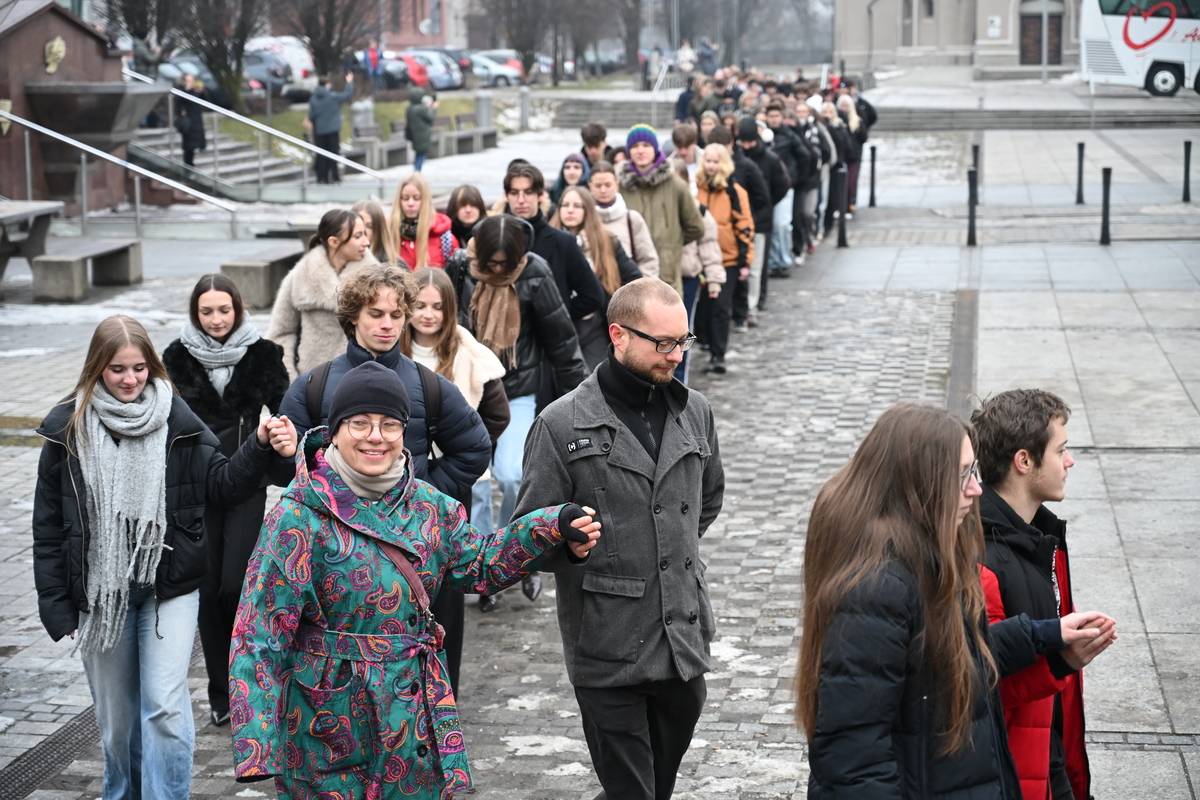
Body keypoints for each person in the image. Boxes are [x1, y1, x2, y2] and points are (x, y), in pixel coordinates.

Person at [229, 360, 601, 799]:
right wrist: (257, 747)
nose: (375, 436)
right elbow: (259, 632)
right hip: (326, 721)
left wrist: (552, 523)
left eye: (390, 424)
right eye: (360, 423)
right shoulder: (297, 519)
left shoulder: (429, 507)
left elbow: (480, 565)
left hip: (413, 716)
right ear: (334, 429)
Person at [33, 315, 296, 800]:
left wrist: (259, 446)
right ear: (96, 370)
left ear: (153, 368)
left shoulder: (177, 420)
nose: (130, 379)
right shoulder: (68, 430)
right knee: (116, 723)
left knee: (166, 709)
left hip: (168, 590)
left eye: (138, 368)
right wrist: (55, 602)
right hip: (100, 596)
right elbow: (49, 527)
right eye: (116, 370)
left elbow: (222, 485)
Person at [796, 403, 1114, 799]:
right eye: (964, 474)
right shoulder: (876, 588)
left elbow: (943, 662)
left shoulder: (926, 556)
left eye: (974, 471)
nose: (977, 489)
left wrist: (1045, 637)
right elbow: (854, 756)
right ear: (921, 482)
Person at [514, 278, 725, 800]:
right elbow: (525, 536)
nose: (676, 355)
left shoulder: (694, 410)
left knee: (657, 788)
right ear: (618, 335)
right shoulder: (561, 424)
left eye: (684, 341)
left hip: (681, 641)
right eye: (663, 343)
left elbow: (708, 499)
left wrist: (664, 547)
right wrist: (568, 543)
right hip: (608, 647)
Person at [162, 274, 290, 728]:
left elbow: (284, 415)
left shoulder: (264, 356)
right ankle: (222, 694)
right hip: (194, 488)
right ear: (195, 314)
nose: (216, 319)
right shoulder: (174, 359)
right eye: (206, 311)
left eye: (224, 310)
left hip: (245, 483)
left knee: (237, 585)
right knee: (207, 589)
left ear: (238, 310)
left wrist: (278, 459)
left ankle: (250, 683)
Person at [973, 390, 1110, 800]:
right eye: (1061, 450)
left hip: (1048, 759)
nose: (1069, 462)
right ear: (1024, 461)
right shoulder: (983, 560)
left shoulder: (1042, 537)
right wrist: (1060, 661)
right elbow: (980, 685)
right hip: (1013, 772)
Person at [274, 263, 491, 511]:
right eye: (376, 314)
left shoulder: (430, 385)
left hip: (407, 534)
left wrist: (422, 494)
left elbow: (474, 450)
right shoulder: (313, 385)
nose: (388, 324)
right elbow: (281, 473)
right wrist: (287, 456)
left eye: (396, 315)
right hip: (332, 532)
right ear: (354, 315)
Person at [458, 216, 588, 597]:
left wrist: (581, 398)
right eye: (490, 263)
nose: (497, 270)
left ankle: (509, 549)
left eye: (504, 263)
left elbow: (561, 339)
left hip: (517, 387)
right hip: (469, 389)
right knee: (477, 485)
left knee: (513, 475)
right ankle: (476, 565)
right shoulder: (462, 270)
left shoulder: (535, 272)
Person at [401, 266, 510, 689]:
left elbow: (495, 416)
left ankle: (445, 683)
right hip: (393, 486)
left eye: (437, 307)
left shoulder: (469, 354)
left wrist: (447, 464)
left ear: (451, 311)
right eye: (420, 306)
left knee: (444, 583)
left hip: (446, 487)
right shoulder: (394, 351)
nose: (428, 315)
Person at [267, 209, 377, 380]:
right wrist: (290, 378)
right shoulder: (300, 276)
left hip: (364, 380)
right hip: (312, 381)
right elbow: (280, 333)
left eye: (365, 234)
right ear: (334, 241)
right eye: (358, 236)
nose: (366, 241)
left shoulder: (377, 279)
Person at [550, 185, 642, 369]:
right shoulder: (548, 240)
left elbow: (634, 279)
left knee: (598, 378)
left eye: (577, 206)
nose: (569, 210)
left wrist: (615, 306)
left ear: (588, 210)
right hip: (560, 323)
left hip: (597, 323)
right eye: (565, 205)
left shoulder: (606, 240)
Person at [501, 163, 606, 324]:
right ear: (506, 196)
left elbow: (593, 296)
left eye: (528, 192)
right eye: (515, 193)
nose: (521, 200)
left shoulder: (563, 243)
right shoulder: (495, 239)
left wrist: (557, 317)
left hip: (547, 341)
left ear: (540, 195)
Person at [617, 124, 705, 296]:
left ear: (655, 149)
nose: (640, 151)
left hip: (667, 276)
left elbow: (696, 227)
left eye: (646, 145)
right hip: (629, 275)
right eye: (635, 146)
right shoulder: (620, 188)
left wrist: (671, 245)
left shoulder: (676, 185)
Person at [694, 142, 754, 376]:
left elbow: (745, 226)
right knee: (704, 307)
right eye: (707, 161)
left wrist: (745, 261)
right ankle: (707, 342)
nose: (710, 166)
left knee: (720, 306)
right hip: (700, 257)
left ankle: (718, 354)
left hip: (726, 258)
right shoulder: (695, 188)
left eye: (715, 161)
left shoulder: (734, 191)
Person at [706, 124, 769, 329]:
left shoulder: (746, 167)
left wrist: (751, 221)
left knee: (745, 276)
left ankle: (744, 313)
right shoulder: (704, 177)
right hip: (714, 241)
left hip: (740, 233)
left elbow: (764, 197)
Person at [671, 158, 724, 385]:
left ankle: (679, 383)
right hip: (659, 275)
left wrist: (713, 280)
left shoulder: (698, 211)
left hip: (688, 277)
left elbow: (709, 245)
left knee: (683, 331)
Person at [735, 118, 790, 323]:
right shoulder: (738, 160)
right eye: (743, 142)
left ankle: (753, 304)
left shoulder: (770, 159)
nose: (746, 146)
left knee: (757, 267)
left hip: (760, 219)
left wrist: (767, 206)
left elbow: (782, 186)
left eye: (749, 142)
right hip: (741, 219)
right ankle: (743, 304)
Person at [590, 160, 660, 280]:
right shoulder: (582, 218)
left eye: (607, 185)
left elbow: (648, 260)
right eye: (598, 186)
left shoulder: (632, 219)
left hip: (628, 291)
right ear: (590, 187)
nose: (603, 190)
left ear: (616, 185)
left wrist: (641, 291)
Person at [389, 172, 458, 270]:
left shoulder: (445, 239)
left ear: (425, 200)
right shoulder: (388, 234)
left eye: (416, 198)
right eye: (405, 198)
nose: (411, 203)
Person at [307, 74, 355, 184]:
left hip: (320, 132)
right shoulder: (333, 97)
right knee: (333, 154)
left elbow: (311, 117)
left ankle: (322, 177)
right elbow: (347, 94)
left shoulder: (313, 99)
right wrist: (349, 82)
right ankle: (335, 177)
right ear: (326, 85)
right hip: (333, 131)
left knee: (322, 155)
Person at [836, 94, 867, 214]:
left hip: (852, 157)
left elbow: (863, 137)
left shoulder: (856, 120)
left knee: (850, 184)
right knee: (839, 184)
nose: (844, 108)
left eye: (846, 105)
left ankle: (848, 207)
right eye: (842, 105)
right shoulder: (836, 121)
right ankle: (838, 207)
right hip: (840, 157)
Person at [351, 198, 399, 264]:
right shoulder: (340, 262)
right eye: (359, 225)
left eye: (370, 226)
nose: (363, 231)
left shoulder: (395, 265)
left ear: (379, 230)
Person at [175, 74, 207, 167]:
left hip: (196, 120)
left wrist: (202, 91)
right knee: (188, 145)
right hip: (188, 121)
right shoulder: (181, 90)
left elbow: (205, 99)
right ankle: (188, 164)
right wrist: (186, 90)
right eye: (189, 81)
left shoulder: (195, 90)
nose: (191, 82)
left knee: (196, 142)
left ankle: (191, 161)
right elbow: (178, 101)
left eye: (192, 80)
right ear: (184, 82)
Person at [405, 86, 437, 172]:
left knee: (418, 153)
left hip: (414, 135)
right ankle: (417, 172)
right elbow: (430, 118)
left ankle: (416, 171)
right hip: (422, 135)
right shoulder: (419, 109)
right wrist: (433, 108)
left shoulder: (410, 108)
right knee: (421, 154)